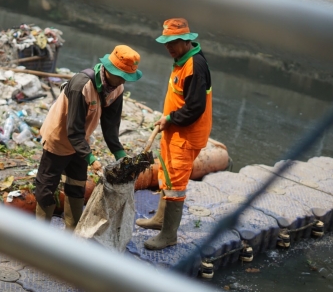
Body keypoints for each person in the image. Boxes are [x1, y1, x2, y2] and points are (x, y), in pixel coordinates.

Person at [34, 45, 143, 230]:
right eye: (121, 75)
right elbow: (73, 130)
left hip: (81, 142)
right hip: (59, 139)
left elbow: (110, 128)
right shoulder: (81, 85)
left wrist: (121, 157)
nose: (123, 80)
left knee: (77, 185)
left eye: (126, 77)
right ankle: (40, 234)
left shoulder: (117, 88)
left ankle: (72, 232)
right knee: (47, 187)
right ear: (108, 69)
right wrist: (92, 159)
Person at [136, 18, 212, 250]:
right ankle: (160, 219)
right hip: (175, 130)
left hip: (186, 135)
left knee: (176, 183)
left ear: (186, 40)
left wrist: (170, 118)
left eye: (173, 43)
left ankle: (169, 234)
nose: (168, 48)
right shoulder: (181, 60)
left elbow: (195, 107)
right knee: (166, 173)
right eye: (166, 43)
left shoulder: (195, 66)